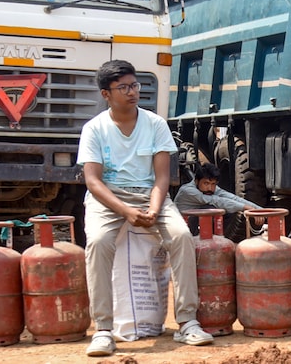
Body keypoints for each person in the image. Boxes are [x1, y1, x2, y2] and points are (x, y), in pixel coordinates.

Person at [77, 60, 213, 357]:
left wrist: (153, 209)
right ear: (106, 94)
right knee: (98, 242)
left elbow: (162, 177)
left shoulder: (155, 124)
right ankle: (103, 330)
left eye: (134, 85)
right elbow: (93, 181)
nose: (132, 92)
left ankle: (187, 322)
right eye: (123, 87)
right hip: (108, 198)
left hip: (151, 195)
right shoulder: (94, 129)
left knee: (181, 237)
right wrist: (125, 211)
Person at [174, 162, 264, 242]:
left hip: (194, 224)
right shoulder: (188, 191)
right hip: (181, 229)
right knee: (211, 209)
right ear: (196, 181)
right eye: (206, 183)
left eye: (213, 184)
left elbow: (233, 198)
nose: (210, 188)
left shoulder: (211, 189)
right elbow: (217, 201)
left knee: (229, 211)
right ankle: (202, 243)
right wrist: (247, 208)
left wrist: (259, 210)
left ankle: (218, 241)